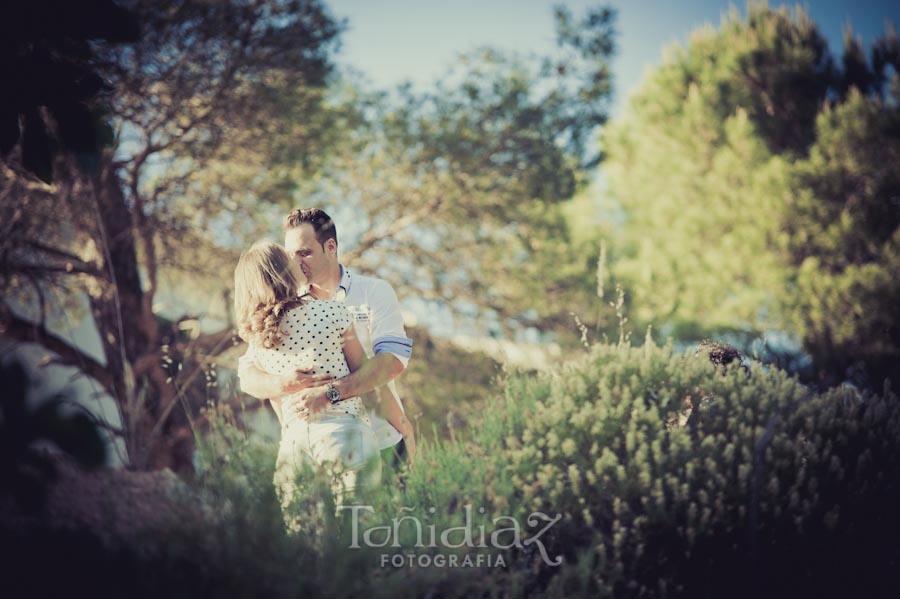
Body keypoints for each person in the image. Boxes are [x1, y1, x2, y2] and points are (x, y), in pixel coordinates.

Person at [238, 208, 416, 474]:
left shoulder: (373, 292)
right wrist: (282, 383)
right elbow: (249, 375)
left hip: (381, 440)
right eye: (290, 255)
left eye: (304, 253)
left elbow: (390, 363)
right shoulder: (279, 308)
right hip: (308, 453)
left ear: (330, 247)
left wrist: (330, 394)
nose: (296, 263)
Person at [234, 240, 385, 525]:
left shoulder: (260, 337)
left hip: (293, 447)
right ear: (282, 272)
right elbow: (366, 375)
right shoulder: (332, 312)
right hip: (344, 433)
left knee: (305, 550)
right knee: (356, 536)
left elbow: (246, 380)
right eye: (288, 257)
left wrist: (282, 383)